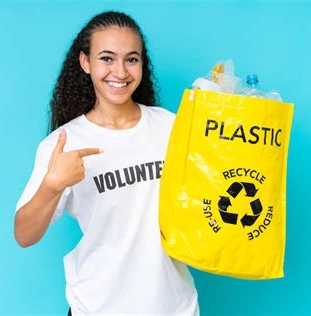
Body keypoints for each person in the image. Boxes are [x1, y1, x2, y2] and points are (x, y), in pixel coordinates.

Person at [13, 11, 200, 316]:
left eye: (131, 59)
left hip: (174, 307)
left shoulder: (170, 127)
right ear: (85, 62)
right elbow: (24, 235)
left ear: (142, 64)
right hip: (98, 308)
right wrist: (52, 185)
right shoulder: (64, 143)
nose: (121, 72)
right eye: (107, 58)